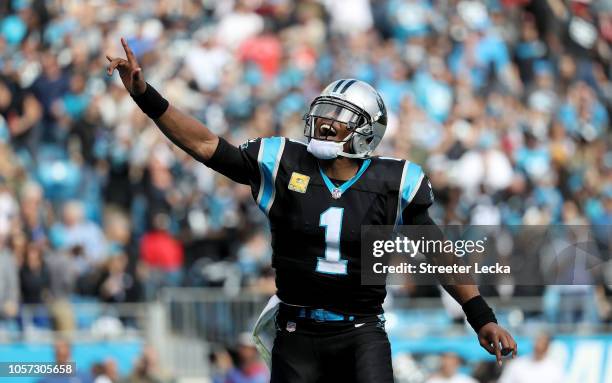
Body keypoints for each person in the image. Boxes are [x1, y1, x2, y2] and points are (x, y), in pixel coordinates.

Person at [106, 38, 517, 382]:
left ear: (366, 131)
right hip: (295, 331)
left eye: (340, 117)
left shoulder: (394, 183)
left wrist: (481, 316)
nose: (325, 122)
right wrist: (146, 96)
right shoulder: (283, 161)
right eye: (324, 111)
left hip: (361, 334)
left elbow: (437, 253)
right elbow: (205, 146)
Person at [498, 333, 564, 383]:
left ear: (547, 347)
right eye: (538, 343)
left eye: (543, 345)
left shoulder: (554, 369)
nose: (539, 347)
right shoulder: (517, 364)